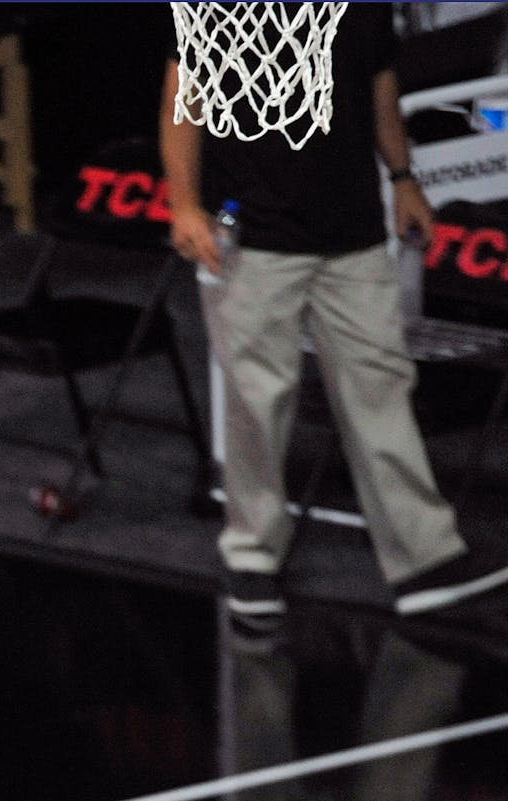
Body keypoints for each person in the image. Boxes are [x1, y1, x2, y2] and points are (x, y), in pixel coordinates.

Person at [158, 4, 508, 619]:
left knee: (382, 387)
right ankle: (250, 555)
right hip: (254, 237)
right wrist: (184, 204)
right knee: (257, 400)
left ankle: (422, 557)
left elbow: (379, 87)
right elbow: (183, 97)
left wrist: (402, 177)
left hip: (352, 231)